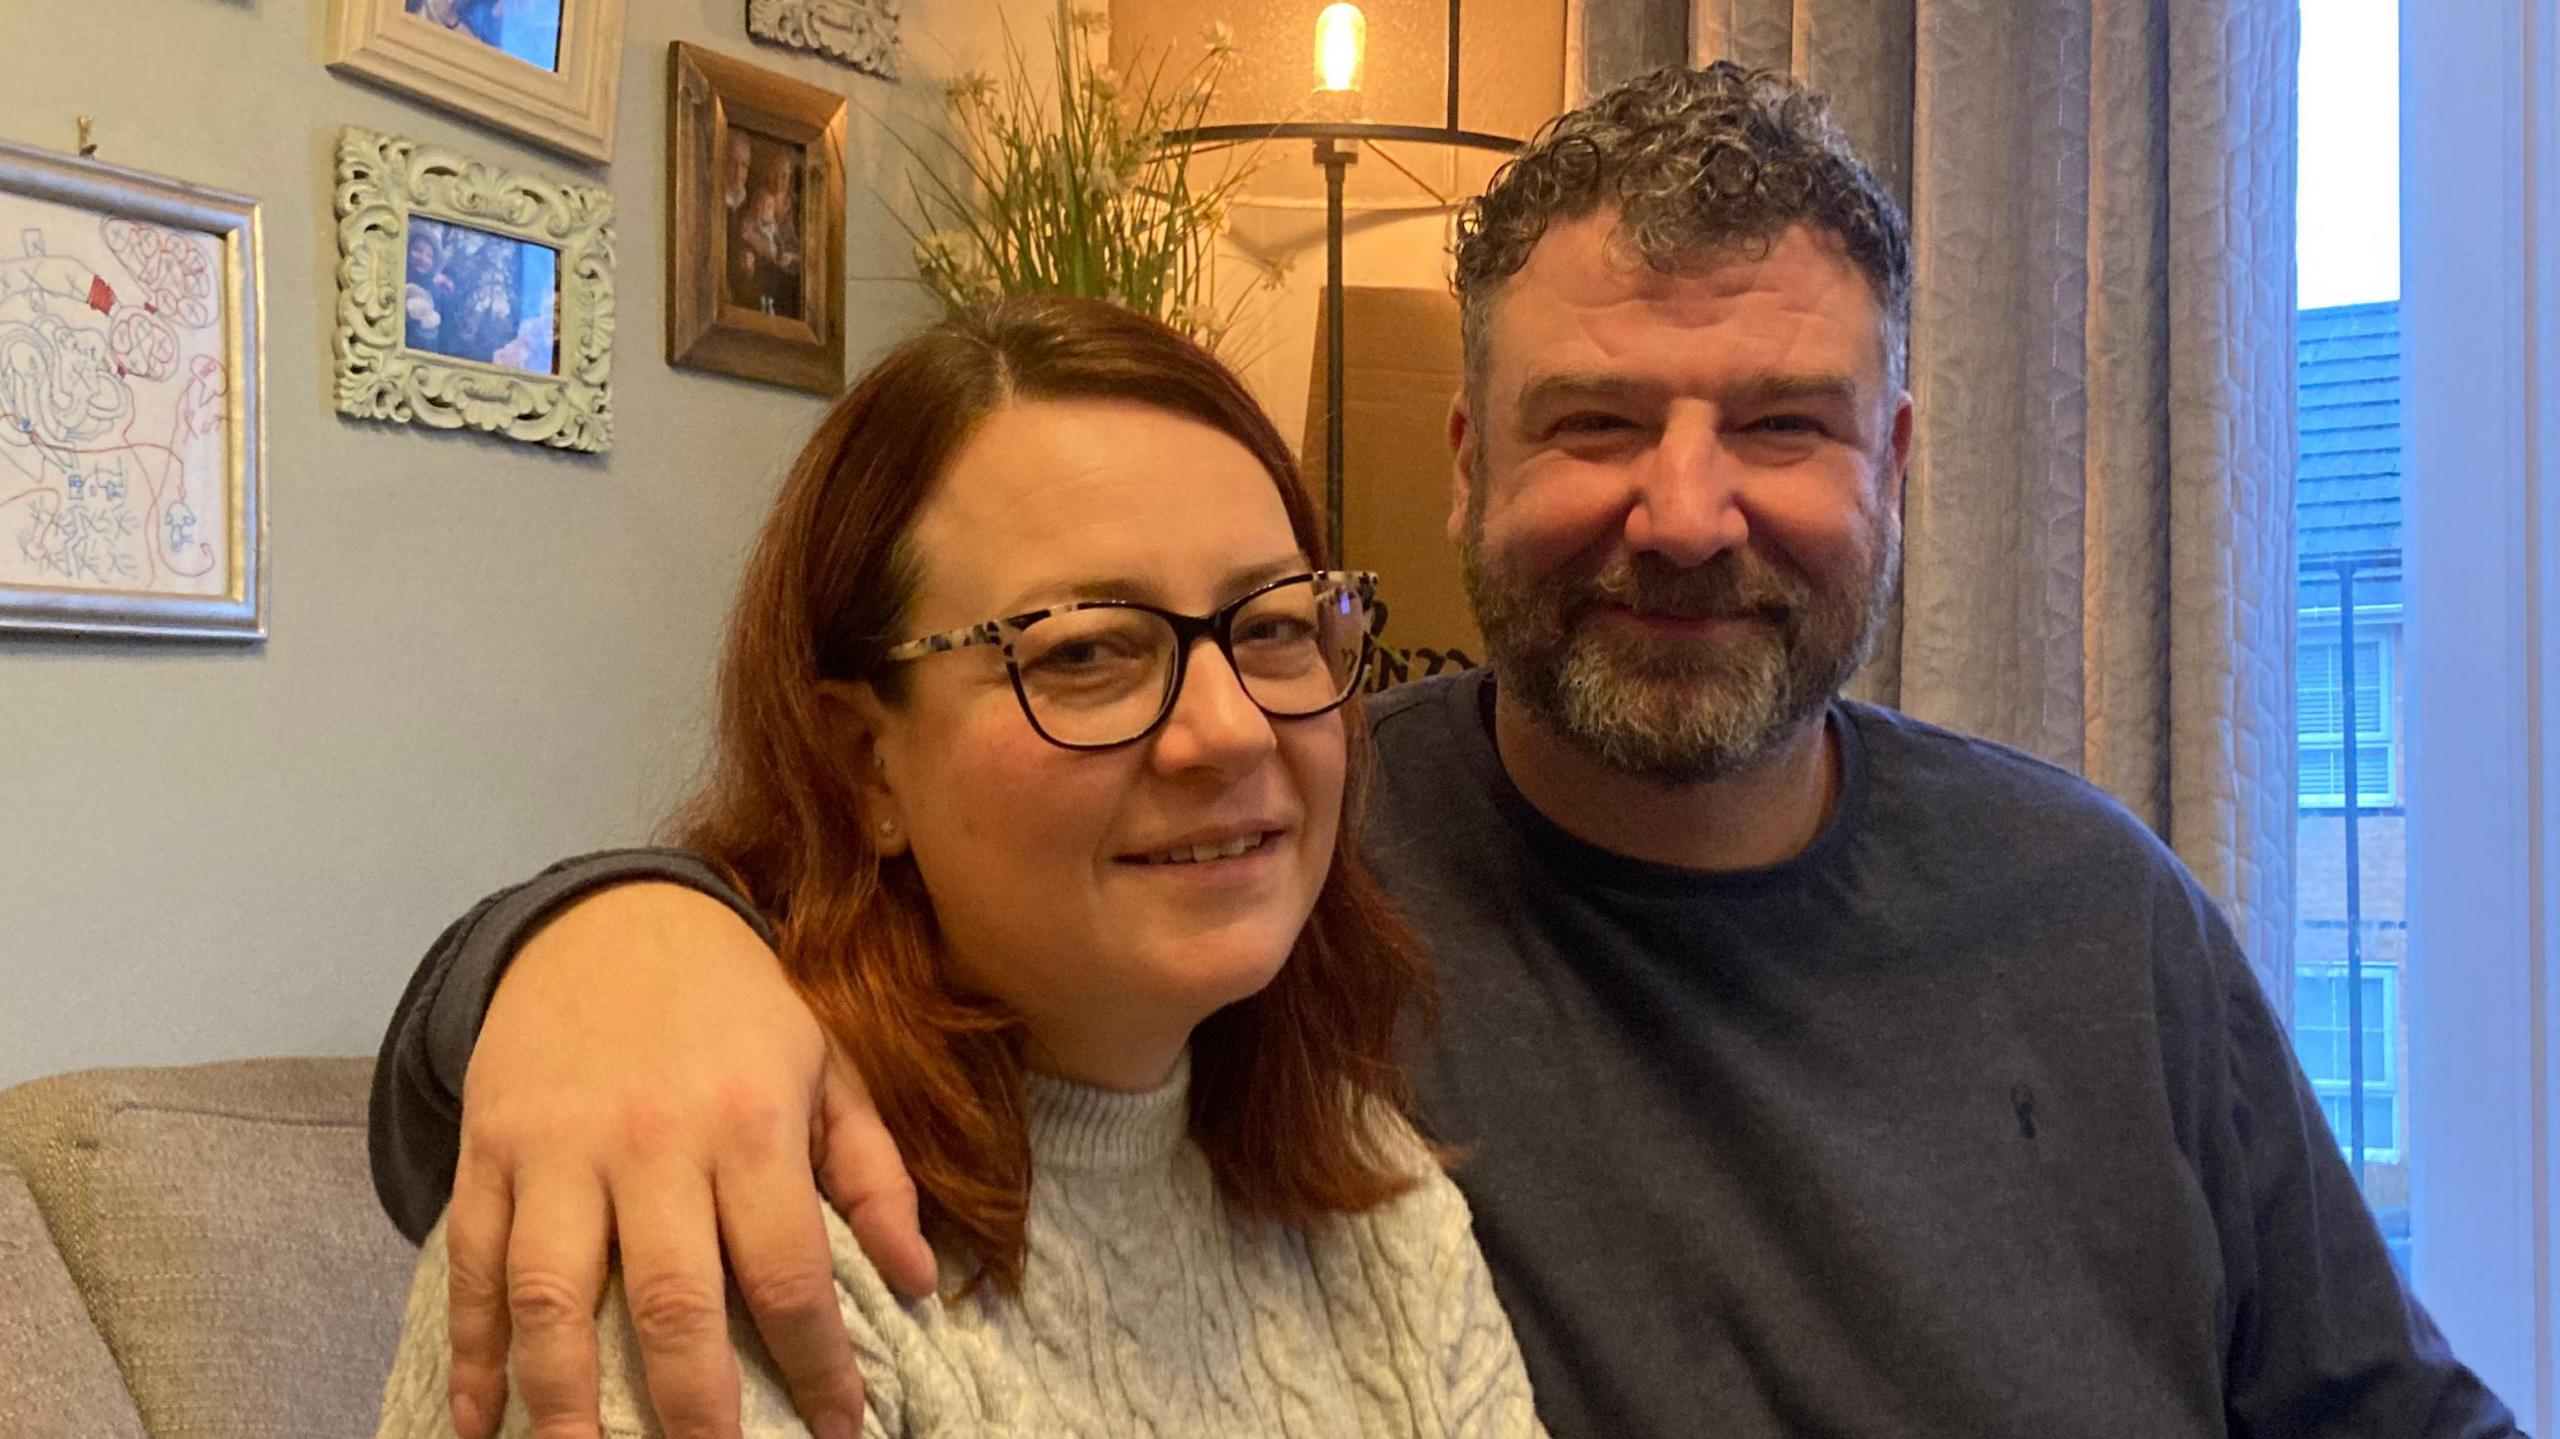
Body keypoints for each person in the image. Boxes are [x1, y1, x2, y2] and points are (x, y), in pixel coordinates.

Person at [371, 62, 2523, 1439]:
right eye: (1595, 424)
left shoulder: (2094, 906)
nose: (1684, 516)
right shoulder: (1264, 858)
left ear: (1893, 462)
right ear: (1469, 454)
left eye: (1778, 424)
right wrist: (578, 946)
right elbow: (837, 923)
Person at [372, 296, 1547, 1438]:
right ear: (864, 763)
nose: (1231, 729)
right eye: (1084, 650)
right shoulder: (715, 1219)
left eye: (1278, 625)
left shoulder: (1373, 1200)